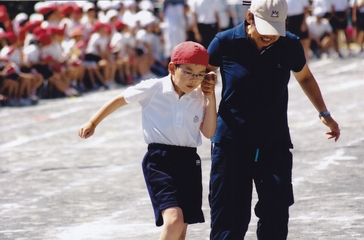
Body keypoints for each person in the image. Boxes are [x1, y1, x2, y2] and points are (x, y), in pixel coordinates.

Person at [206, 0, 341, 239]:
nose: (270, 36)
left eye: (276, 29)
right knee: (229, 219)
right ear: (249, 17)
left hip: (274, 143)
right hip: (231, 144)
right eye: (265, 28)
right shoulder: (224, 42)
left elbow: (305, 77)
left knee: (276, 215)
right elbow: (199, 75)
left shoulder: (290, 44)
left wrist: (324, 113)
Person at [78, 41, 217, 240]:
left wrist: (210, 97)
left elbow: (209, 132)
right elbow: (120, 99)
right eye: (188, 72)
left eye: (200, 74)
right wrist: (93, 122)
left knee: (182, 227)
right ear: (172, 68)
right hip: (160, 160)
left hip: (189, 162)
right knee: (174, 220)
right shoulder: (154, 88)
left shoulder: (199, 96)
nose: (194, 79)